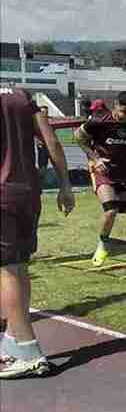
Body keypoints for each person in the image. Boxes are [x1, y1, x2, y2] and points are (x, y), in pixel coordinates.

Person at [1, 87, 76, 378]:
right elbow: (51, 141)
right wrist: (65, 185)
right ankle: (12, 340)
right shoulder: (21, 96)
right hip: (28, 194)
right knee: (19, 267)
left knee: (7, 270)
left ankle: (29, 351)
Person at [74, 91, 126, 268]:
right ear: (115, 105)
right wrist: (94, 158)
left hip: (125, 172)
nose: (124, 116)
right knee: (111, 211)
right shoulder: (99, 121)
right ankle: (102, 247)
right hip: (104, 171)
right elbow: (78, 137)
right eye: (122, 111)